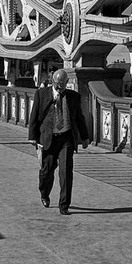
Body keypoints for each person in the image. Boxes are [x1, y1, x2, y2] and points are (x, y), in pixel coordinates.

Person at [26, 68, 92, 214]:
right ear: (52, 81)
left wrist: (85, 137)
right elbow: (34, 116)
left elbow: (79, 118)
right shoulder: (42, 94)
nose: (60, 86)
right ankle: (44, 193)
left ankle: (64, 205)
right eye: (57, 83)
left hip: (66, 138)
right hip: (48, 138)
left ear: (67, 82)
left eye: (63, 83)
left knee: (66, 172)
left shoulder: (74, 97)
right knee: (46, 171)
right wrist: (32, 137)